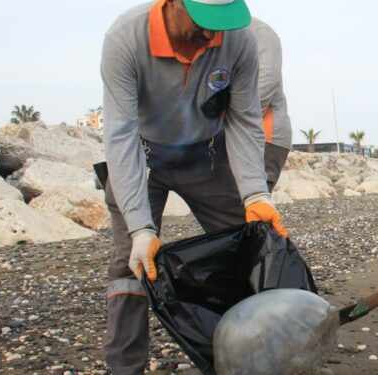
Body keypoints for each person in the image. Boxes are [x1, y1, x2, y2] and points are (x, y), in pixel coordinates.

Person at [100, 0, 288, 373]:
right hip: (144, 153)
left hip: (208, 154)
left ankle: (255, 356)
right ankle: (125, 367)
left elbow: (244, 119)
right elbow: (120, 135)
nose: (212, 32)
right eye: (205, 20)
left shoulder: (240, 40)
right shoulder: (125, 38)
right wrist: (140, 227)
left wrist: (255, 193)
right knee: (131, 263)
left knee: (246, 243)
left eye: (222, 21)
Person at [250, 17, 293, 192]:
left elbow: (267, 80)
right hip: (234, 137)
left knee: (250, 207)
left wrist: (234, 123)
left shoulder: (260, 33)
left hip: (266, 136)